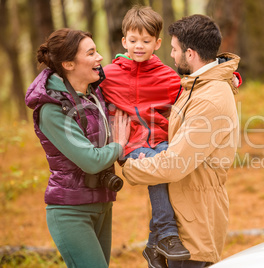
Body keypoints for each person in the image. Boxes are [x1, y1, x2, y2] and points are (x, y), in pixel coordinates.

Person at [122, 14, 240, 268]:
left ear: (190, 53)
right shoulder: (196, 87)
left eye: (174, 50)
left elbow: (175, 164)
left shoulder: (208, 98)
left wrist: (128, 167)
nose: (172, 56)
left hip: (195, 224)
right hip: (183, 216)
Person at [25, 28, 130, 268]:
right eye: (91, 53)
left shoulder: (93, 93)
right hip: (71, 212)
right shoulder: (52, 108)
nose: (100, 57)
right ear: (69, 64)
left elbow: (139, 84)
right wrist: (119, 144)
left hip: (102, 203)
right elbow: (91, 161)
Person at [100, 6, 191, 268]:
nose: (139, 46)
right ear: (123, 41)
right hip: (130, 145)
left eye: (146, 41)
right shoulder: (109, 75)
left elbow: (195, 89)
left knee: (169, 165)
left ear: (157, 43)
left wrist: (231, 79)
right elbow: (80, 84)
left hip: (162, 142)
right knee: (159, 165)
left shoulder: (167, 76)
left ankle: (153, 246)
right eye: (133, 40)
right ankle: (166, 234)